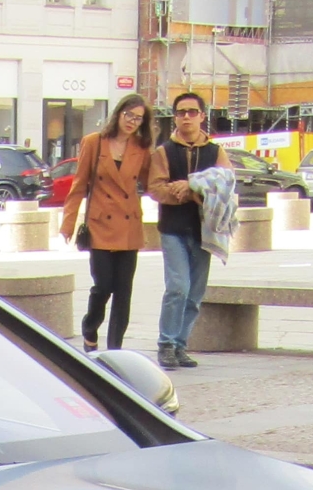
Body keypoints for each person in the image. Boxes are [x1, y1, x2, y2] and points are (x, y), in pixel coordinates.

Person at [59, 91, 153, 355]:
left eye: (138, 118)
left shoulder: (142, 148)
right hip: (100, 225)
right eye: (128, 115)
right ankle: (90, 327)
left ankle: (114, 352)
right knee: (103, 286)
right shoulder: (94, 142)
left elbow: (151, 183)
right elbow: (79, 186)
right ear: (118, 113)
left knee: (124, 293)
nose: (132, 122)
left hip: (129, 225)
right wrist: (68, 224)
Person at [147, 92, 224, 369]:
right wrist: (180, 191)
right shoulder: (164, 152)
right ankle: (166, 344)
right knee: (178, 287)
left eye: (192, 112)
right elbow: (155, 188)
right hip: (173, 229)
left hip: (205, 231)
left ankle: (180, 344)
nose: (187, 117)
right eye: (181, 112)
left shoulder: (216, 152)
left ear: (203, 116)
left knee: (195, 292)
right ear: (175, 117)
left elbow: (226, 184)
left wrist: (192, 188)